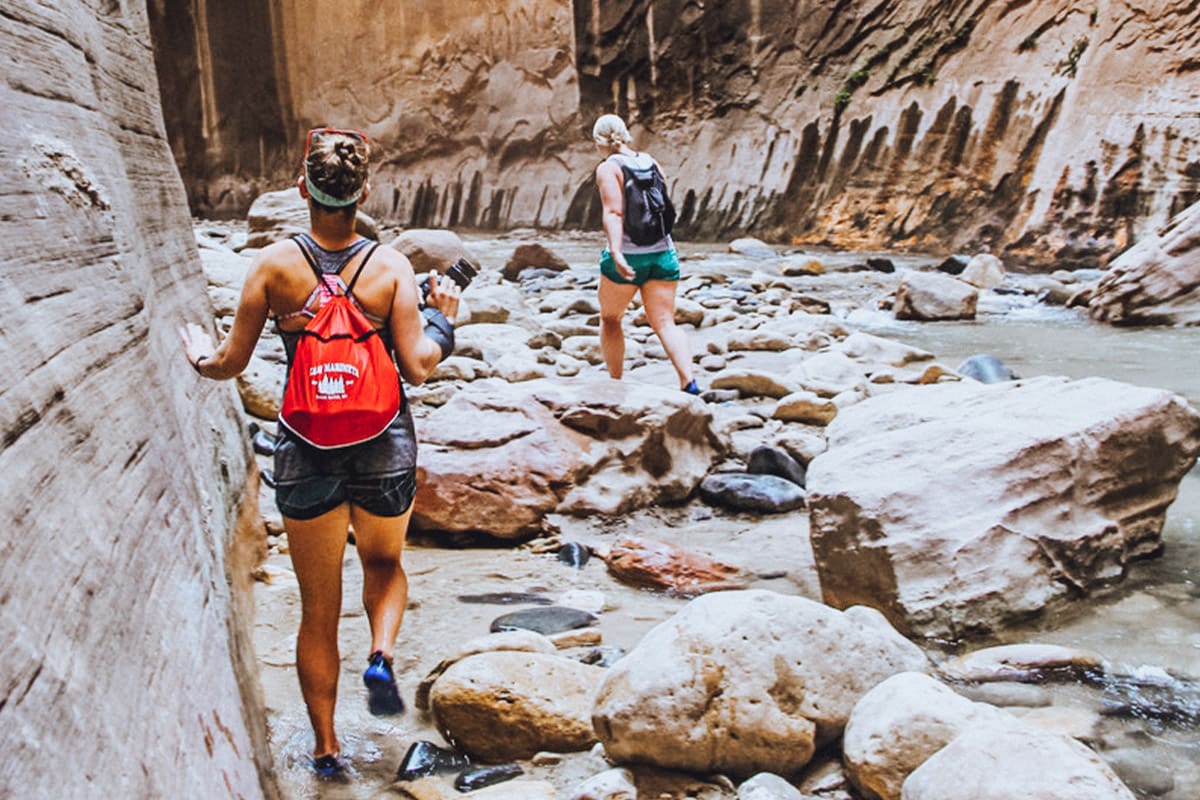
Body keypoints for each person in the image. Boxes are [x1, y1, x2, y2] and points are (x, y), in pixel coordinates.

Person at [179, 127, 461, 778]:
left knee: (317, 609)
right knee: (385, 563)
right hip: (383, 443)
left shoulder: (275, 267)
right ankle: (383, 655)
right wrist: (447, 319)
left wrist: (198, 357)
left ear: (301, 189)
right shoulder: (390, 266)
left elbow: (230, 362)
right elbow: (418, 365)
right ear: (363, 193)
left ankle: (328, 751)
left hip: (305, 447)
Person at [592, 113, 699, 395]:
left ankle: (615, 384)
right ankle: (689, 382)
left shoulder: (608, 168)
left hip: (629, 255)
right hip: (664, 253)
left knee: (610, 319)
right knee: (665, 321)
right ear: (625, 134)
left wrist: (616, 251)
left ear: (599, 142)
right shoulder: (651, 162)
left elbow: (614, 211)